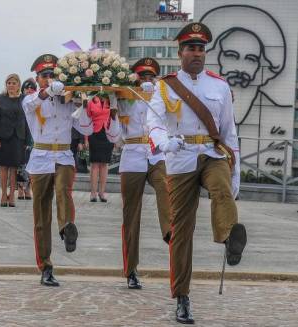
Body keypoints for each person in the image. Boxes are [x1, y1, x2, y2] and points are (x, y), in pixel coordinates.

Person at [147, 22, 247, 324]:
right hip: (180, 159)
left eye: (201, 48)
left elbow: (229, 131)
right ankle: (182, 296)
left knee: (220, 188)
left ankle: (229, 237)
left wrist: (236, 172)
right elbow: (153, 122)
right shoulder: (164, 86)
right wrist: (165, 142)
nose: (197, 54)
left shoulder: (219, 86)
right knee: (182, 231)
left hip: (212, 153)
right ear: (180, 53)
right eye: (191, 48)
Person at [22, 54, 109, 287]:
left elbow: (85, 127)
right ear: (37, 78)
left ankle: (67, 228)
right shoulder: (31, 99)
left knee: (64, 191)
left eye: (52, 75)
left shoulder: (68, 100)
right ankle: (46, 266)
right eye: (45, 76)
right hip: (40, 158)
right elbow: (31, 104)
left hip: (63, 155)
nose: (49, 79)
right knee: (41, 216)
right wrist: (49, 92)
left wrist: (87, 105)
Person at [114, 57, 171, 290]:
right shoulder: (124, 96)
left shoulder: (162, 98)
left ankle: (169, 232)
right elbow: (114, 132)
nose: (146, 80)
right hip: (133, 153)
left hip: (156, 153)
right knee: (131, 215)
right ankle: (131, 270)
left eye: (150, 76)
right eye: (142, 76)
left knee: (167, 190)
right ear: (135, 77)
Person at [0, 74, 28, 207]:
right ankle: (3, 194)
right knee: (3, 168)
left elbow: (28, 121)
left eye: (14, 83)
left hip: (18, 138)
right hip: (3, 138)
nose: (11, 85)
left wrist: (27, 141)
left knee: (14, 168)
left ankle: (12, 195)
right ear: (6, 85)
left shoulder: (24, 99)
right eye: (9, 83)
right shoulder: (0, 98)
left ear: (19, 85)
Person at [85, 94, 115, 202]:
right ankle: (93, 193)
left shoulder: (111, 99)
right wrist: (85, 138)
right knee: (95, 164)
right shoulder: (91, 100)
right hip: (94, 133)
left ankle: (102, 192)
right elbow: (86, 119)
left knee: (104, 164)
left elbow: (114, 117)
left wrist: (116, 137)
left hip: (108, 133)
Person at [17, 78, 36, 200]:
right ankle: (19, 188)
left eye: (32, 88)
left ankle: (28, 188)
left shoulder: (37, 101)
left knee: (30, 165)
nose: (29, 90)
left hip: (33, 137)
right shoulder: (19, 101)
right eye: (27, 88)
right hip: (20, 136)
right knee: (20, 165)